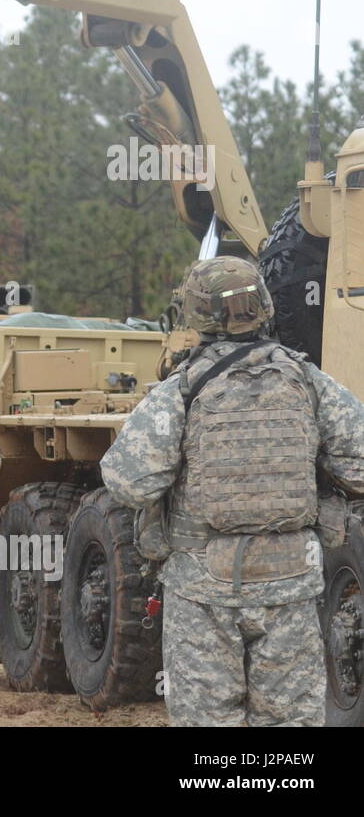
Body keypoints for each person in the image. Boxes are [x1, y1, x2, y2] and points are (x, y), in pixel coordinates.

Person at [101, 257, 364, 726]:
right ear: (262, 307)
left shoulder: (182, 389)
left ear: (195, 315)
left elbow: (130, 482)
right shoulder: (308, 382)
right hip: (292, 585)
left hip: (203, 589)